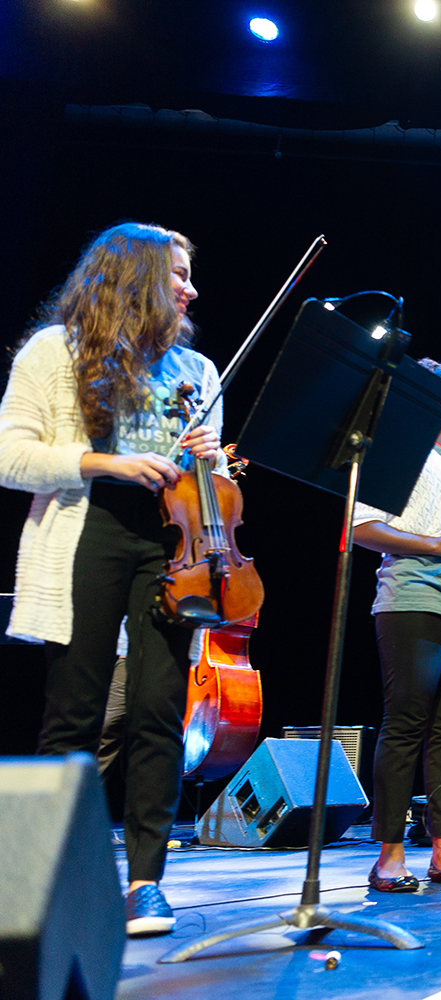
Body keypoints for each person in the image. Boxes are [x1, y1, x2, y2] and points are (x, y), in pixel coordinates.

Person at [0, 222, 224, 936]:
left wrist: (209, 461)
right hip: (87, 532)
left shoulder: (197, 371)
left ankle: (147, 882)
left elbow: (210, 485)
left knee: (159, 711)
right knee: (76, 712)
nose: (190, 288)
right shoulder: (54, 352)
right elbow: (10, 459)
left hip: (171, 544)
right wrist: (107, 463)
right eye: (177, 273)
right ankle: (47, 874)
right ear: (133, 278)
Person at [351, 358, 441, 892]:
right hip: (413, 592)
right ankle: (389, 856)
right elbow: (361, 527)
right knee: (408, 720)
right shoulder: (400, 452)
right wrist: (436, 545)